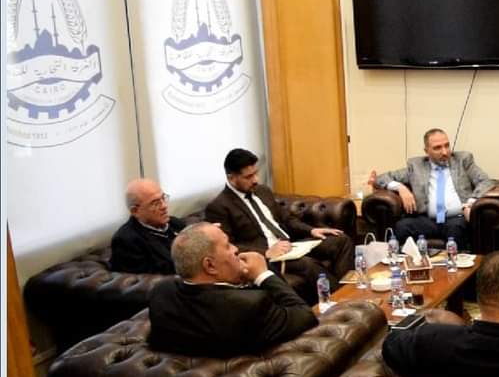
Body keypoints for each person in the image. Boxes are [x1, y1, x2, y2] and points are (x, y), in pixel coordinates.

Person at [204, 148, 353, 305]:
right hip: (270, 257)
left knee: (341, 240)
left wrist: (311, 230)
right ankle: (343, 303)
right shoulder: (220, 206)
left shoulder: (262, 191)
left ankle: (350, 290)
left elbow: (286, 219)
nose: (255, 180)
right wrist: (266, 252)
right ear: (231, 177)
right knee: (308, 265)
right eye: (248, 177)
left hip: (292, 245)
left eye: (255, 173)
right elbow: (228, 246)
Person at [147, 222, 318, 358]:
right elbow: (304, 315)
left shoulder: (161, 292)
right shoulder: (248, 305)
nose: (236, 249)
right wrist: (263, 274)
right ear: (210, 265)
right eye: (228, 246)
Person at [367, 128, 493, 251]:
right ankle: (406, 262)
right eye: (437, 148)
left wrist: (470, 203)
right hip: (427, 220)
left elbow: (485, 181)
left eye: (447, 145)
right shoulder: (416, 166)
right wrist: (400, 188)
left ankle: (457, 264)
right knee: (402, 227)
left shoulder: (463, 160)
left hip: (456, 218)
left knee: (456, 229)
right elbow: (380, 178)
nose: (445, 152)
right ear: (426, 151)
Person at [109, 178, 187, 274]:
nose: (164, 206)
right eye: (155, 203)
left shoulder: (175, 223)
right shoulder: (126, 241)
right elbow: (146, 280)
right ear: (135, 211)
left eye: (163, 198)